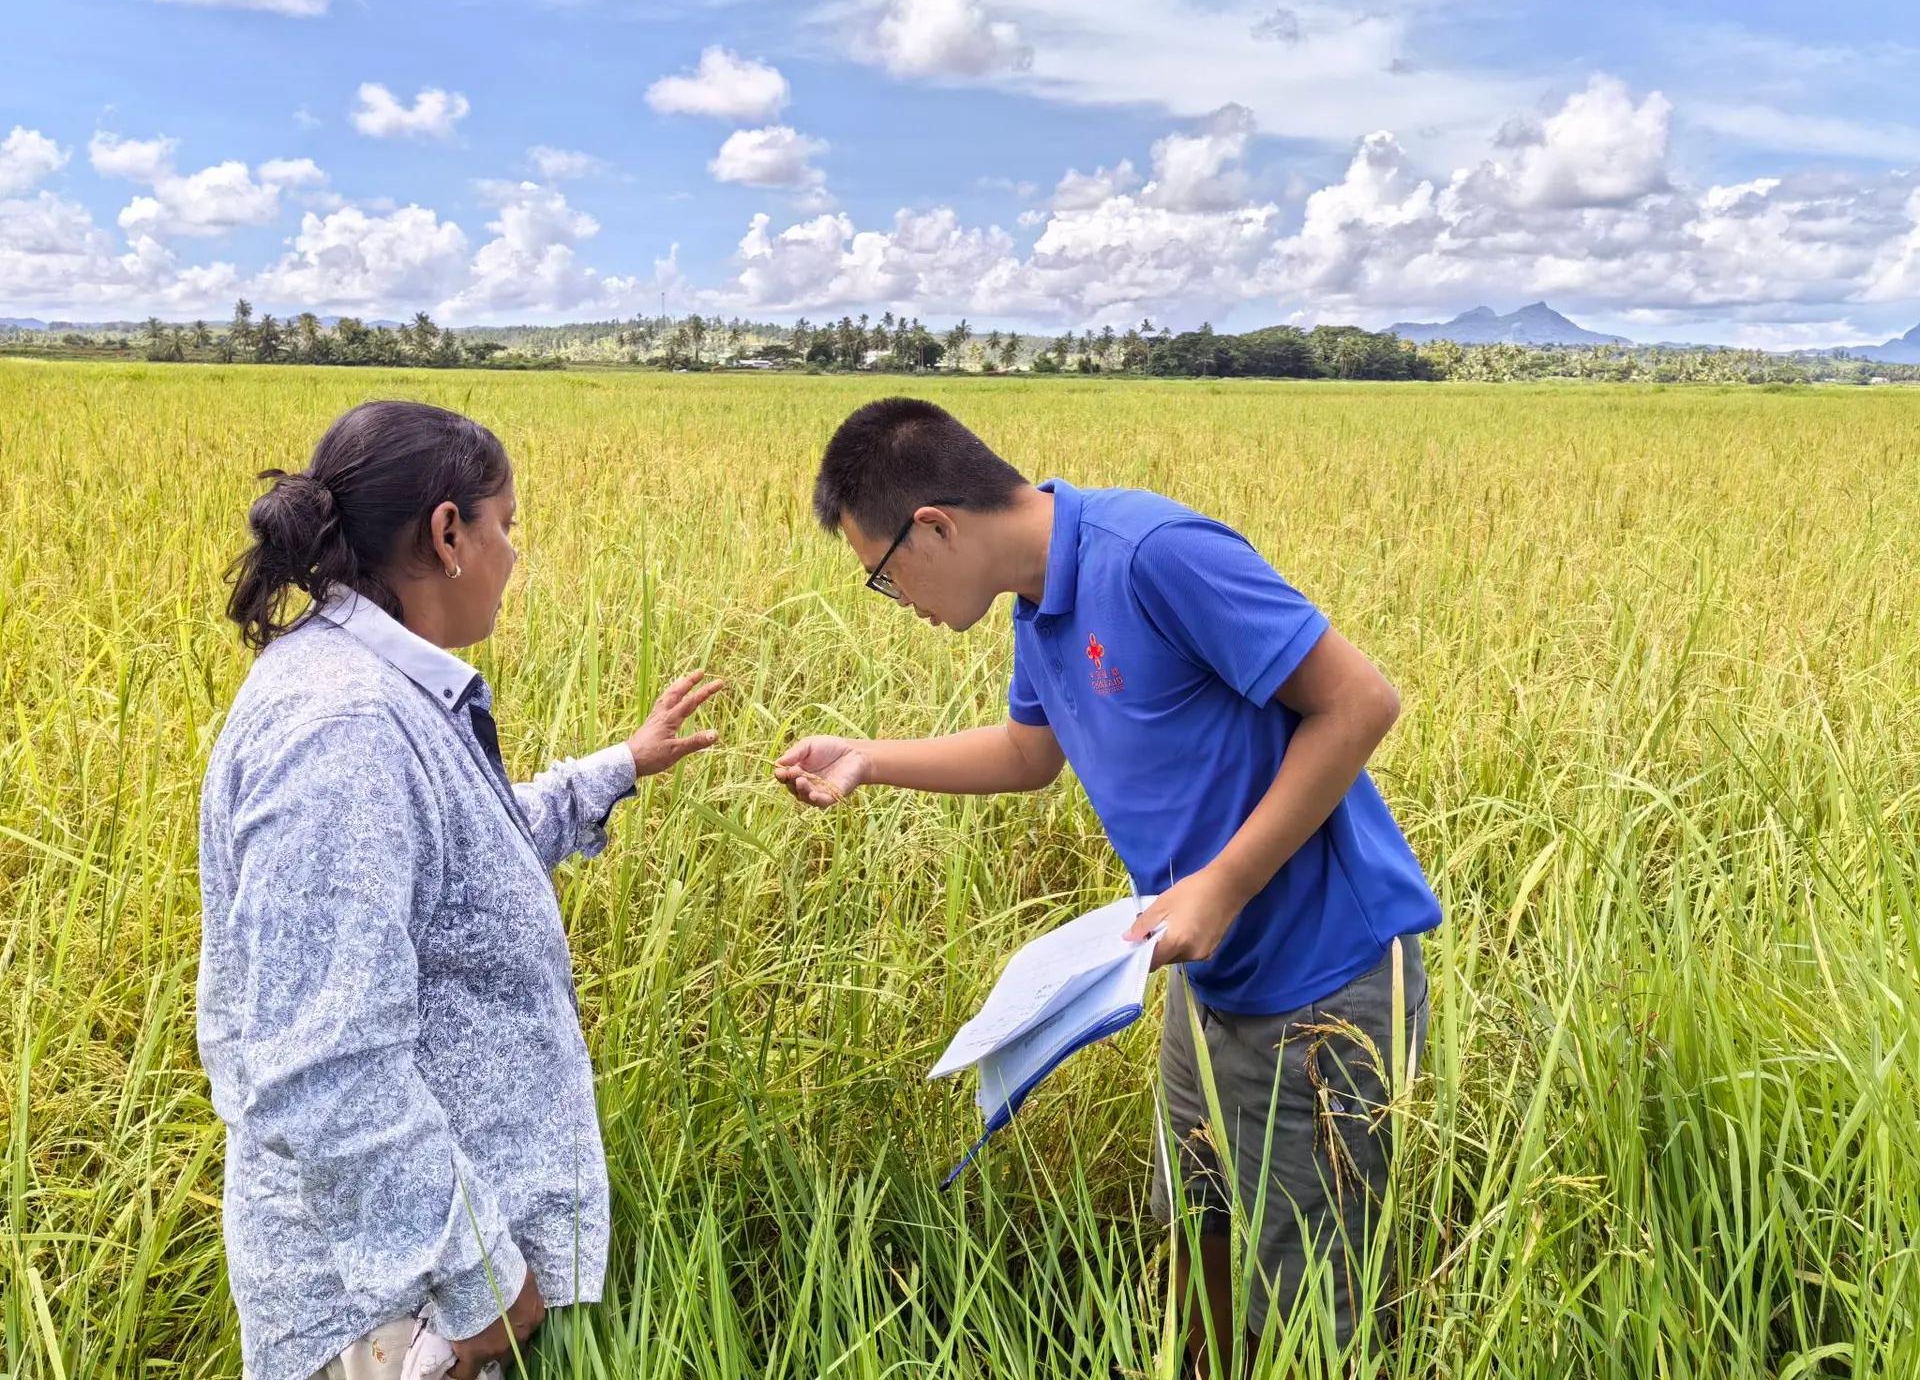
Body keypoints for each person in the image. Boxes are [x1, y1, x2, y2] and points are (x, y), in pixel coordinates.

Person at [774, 396, 1441, 1371]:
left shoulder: (1155, 555)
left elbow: (1359, 701)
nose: (897, 602)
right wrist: (868, 759)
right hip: (1208, 981)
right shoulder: (1040, 607)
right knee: (1195, 1239)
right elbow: (1024, 752)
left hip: (1326, 979)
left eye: (882, 576)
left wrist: (1222, 884)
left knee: (1312, 1297)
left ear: (936, 526)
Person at [199, 401, 723, 1380]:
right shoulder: (343, 729)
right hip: (389, 1318)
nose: (513, 557)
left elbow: (462, 862)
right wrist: (479, 1281)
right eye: (507, 525)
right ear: (449, 534)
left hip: (415, 1292)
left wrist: (621, 765)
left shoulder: (368, 688)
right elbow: (322, 1067)